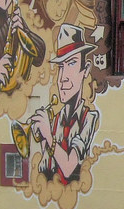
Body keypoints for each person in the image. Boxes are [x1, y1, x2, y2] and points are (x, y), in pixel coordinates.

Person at [29, 24, 99, 184]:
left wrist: (48, 136)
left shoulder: (89, 118)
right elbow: (44, 170)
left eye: (72, 63)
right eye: (61, 66)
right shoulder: (54, 120)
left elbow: (69, 168)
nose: (62, 77)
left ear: (86, 69)